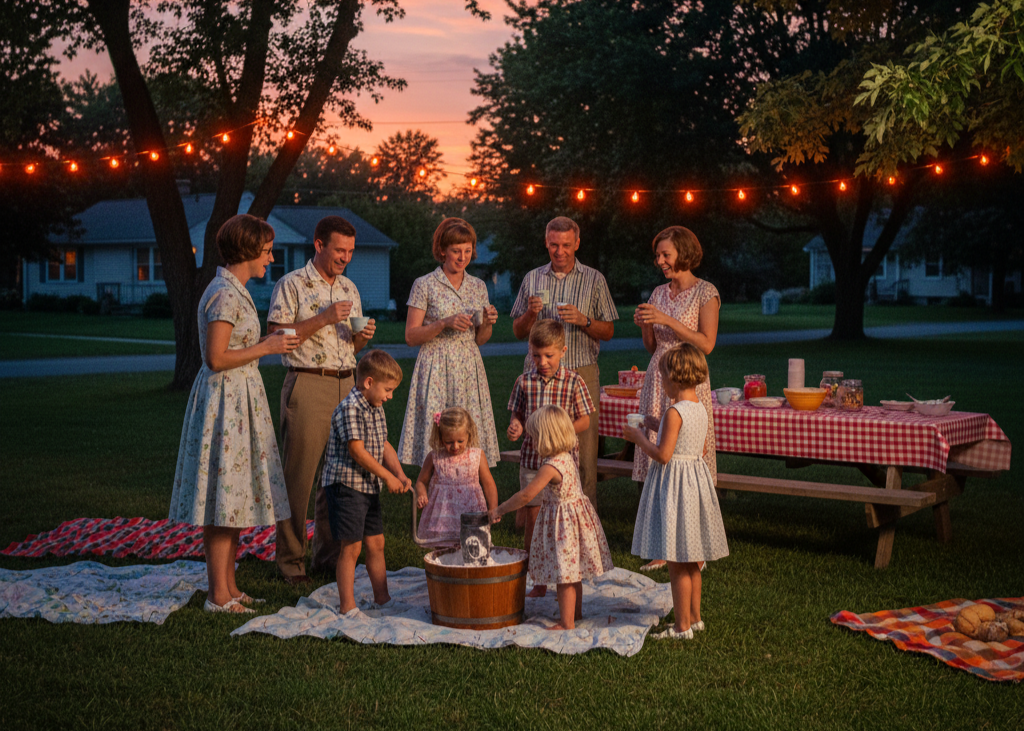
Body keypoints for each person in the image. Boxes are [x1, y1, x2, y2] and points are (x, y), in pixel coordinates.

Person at [169, 214, 300, 613]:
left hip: (239, 398)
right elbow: (215, 357)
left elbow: (232, 347)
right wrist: (266, 349)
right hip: (225, 403)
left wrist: (264, 340)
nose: (270, 258)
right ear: (246, 251)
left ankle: (229, 587)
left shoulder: (234, 290)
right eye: (265, 251)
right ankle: (218, 596)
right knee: (223, 500)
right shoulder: (224, 294)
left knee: (234, 497)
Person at [267, 215, 377, 584]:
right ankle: (290, 562)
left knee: (339, 478)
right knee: (299, 478)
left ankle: (328, 559)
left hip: (348, 386)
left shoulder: (349, 287)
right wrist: (324, 317)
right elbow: (277, 334)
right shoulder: (292, 284)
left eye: (350, 251)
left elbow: (353, 344)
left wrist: (363, 336)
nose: (345, 257)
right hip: (308, 384)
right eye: (339, 250)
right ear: (319, 245)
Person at [510, 216, 617, 509]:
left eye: (566, 245)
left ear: (577, 243)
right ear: (546, 242)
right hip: (539, 371)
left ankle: (585, 516)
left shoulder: (594, 279)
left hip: (580, 370)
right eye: (554, 245)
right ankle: (537, 514)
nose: (560, 252)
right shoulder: (533, 279)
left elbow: (608, 331)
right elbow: (518, 331)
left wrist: (584, 320)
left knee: (583, 448)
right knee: (538, 442)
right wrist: (531, 315)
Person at [623, 344, 729, 640]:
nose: (662, 384)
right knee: (692, 558)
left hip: (675, 487)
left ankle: (682, 627)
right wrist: (657, 424)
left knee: (676, 561)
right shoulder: (699, 409)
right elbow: (701, 448)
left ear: (674, 378)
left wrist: (638, 438)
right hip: (694, 482)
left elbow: (663, 454)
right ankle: (694, 618)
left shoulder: (674, 411)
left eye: (663, 379)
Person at [632, 225, 720, 572]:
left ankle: (692, 542)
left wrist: (667, 319)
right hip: (659, 376)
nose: (660, 261)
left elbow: (707, 343)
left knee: (684, 460)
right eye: (658, 255)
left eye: (665, 254)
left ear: (683, 252)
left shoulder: (706, 292)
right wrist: (645, 324)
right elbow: (652, 346)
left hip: (688, 378)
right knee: (659, 459)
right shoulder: (658, 292)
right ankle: (662, 543)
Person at [489, 405, 613, 631]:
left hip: (563, 524)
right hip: (576, 519)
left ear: (546, 437)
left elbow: (526, 495)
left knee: (564, 575)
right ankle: (575, 614)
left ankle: (566, 623)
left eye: (534, 438)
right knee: (573, 571)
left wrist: (499, 510)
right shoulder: (566, 456)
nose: (532, 443)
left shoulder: (550, 466)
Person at [398, 217, 500, 468]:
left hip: (468, 366)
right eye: (456, 251)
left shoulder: (478, 286)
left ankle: (469, 495)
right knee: (437, 439)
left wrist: (487, 323)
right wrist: (443, 323)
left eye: (467, 250)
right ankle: (433, 491)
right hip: (435, 366)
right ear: (442, 250)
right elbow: (411, 336)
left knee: (468, 440)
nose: (462, 257)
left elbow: (481, 339)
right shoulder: (425, 285)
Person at [507, 319, 595, 597]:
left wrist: (560, 428)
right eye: (536, 355)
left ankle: (565, 576)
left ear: (563, 351)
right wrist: (516, 426)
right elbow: (517, 415)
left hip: (561, 467)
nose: (542, 361)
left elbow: (585, 420)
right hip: (533, 462)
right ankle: (537, 578)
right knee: (534, 519)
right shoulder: (524, 381)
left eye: (549, 355)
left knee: (561, 524)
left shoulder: (574, 381)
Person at [322, 349, 412, 614]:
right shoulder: (349, 409)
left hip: (368, 486)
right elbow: (357, 451)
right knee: (352, 546)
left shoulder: (375, 407)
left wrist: (400, 474)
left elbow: (384, 445)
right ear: (369, 382)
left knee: (376, 543)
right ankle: (347, 606)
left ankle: (382, 598)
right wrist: (386, 476)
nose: (390, 396)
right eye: (388, 389)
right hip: (346, 485)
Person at [414, 407, 499, 543]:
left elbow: (488, 484)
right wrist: (422, 494)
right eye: (449, 442)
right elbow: (421, 481)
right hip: (442, 517)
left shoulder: (477, 455)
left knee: (473, 546)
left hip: (471, 512)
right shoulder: (434, 456)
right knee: (442, 549)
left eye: (460, 441)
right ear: (441, 438)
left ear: (468, 435)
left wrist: (494, 508)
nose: (455, 446)